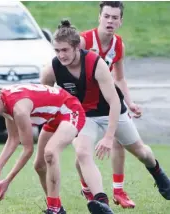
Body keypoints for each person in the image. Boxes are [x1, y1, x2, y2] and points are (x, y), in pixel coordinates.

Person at [40, 19, 170, 210]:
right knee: (82, 153)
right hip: (83, 115)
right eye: (57, 51)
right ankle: (102, 202)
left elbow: (115, 102)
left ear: (77, 47)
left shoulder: (95, 62)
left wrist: (109, 137)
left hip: (110, 111)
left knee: (142, 153)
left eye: (65, 50)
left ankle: (159, 174)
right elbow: (46, 101)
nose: (61, 55)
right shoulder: (52, 69)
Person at [0, 81, 114, 214]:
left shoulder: (19, 109)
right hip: (52, 117)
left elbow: (27, 149)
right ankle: (58, 207)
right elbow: (13, 139)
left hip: (70, 111)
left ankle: (54, 208)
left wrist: (7, 181)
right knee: (39, 165)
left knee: (50, 153)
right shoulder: (5, 103)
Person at [79, 1, 139, 208]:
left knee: (119, 141)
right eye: (106, 16)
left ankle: (119, 191)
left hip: (107, 100)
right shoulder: (84, 41)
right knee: (83, 149)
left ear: (120, 21)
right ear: (99, 17)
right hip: (84, 103)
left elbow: (119, 78)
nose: (110, 21)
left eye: (115, 17)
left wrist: (130, 103)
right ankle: (87, 189)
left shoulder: (118, 44)